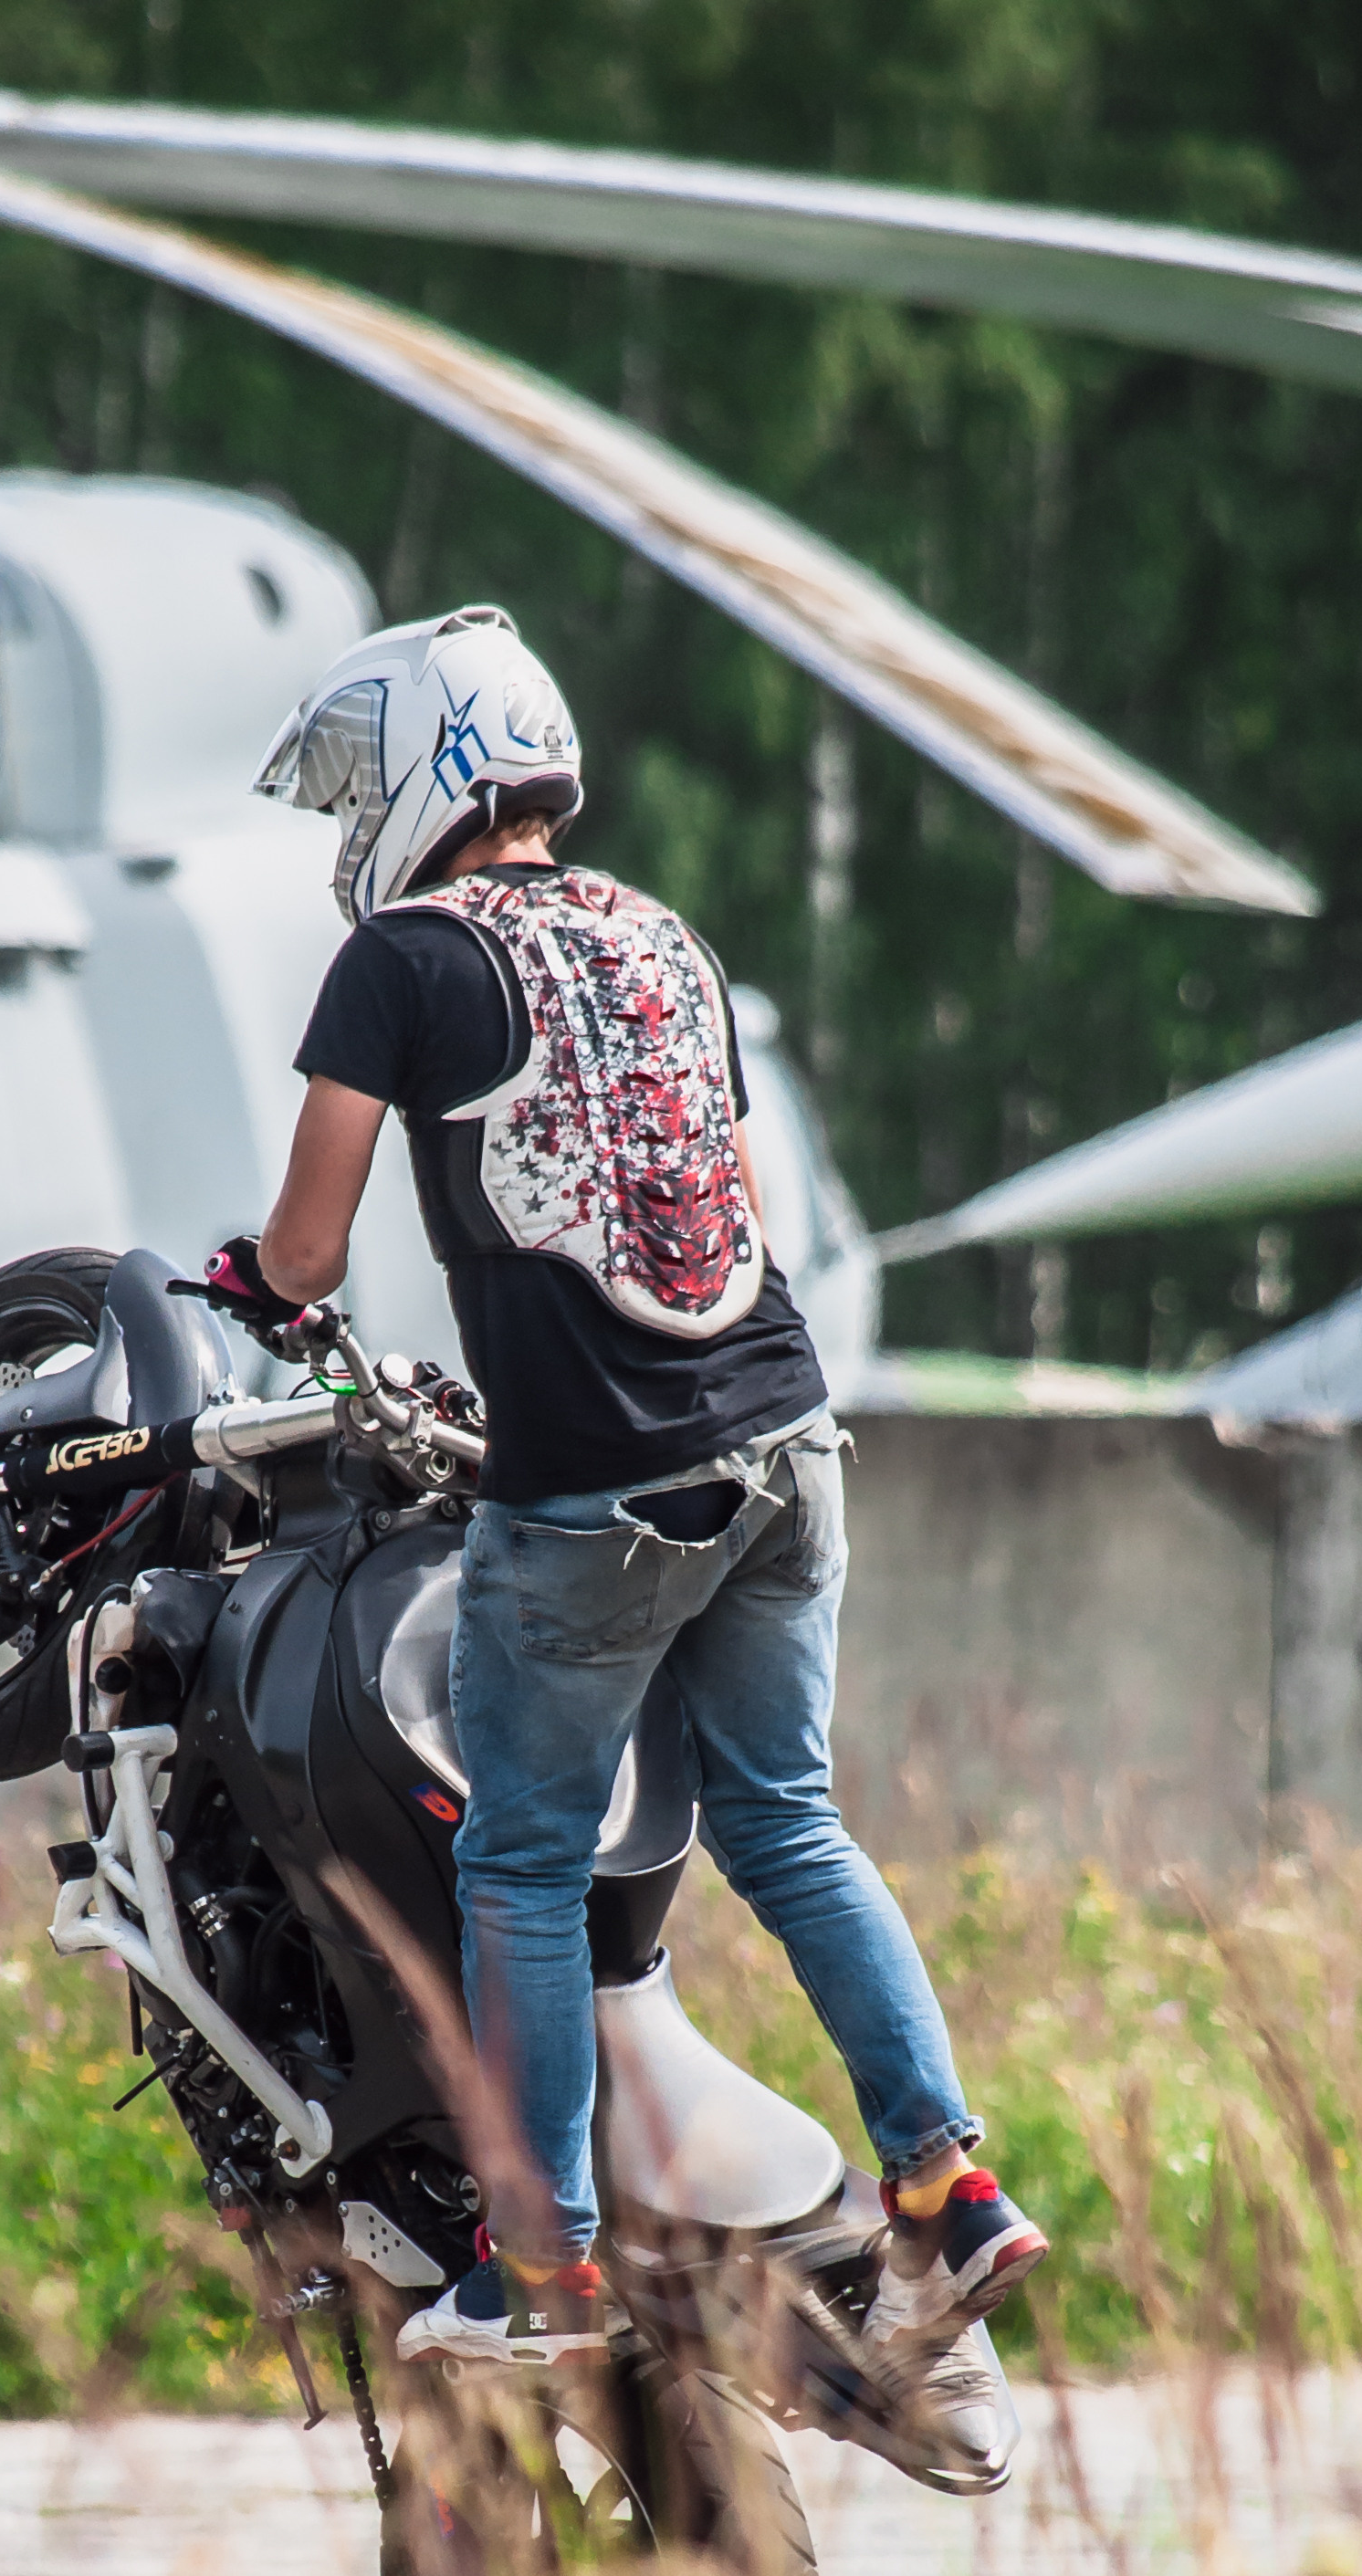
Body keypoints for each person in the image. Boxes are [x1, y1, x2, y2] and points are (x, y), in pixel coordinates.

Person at [215, 604, 1045, 2469]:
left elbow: (313, 1248)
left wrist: (257, 1286)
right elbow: (704, 1205)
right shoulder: (665, 934)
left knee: (519, 1863)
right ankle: (950, 2189)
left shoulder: (406, 960)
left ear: (427, 767)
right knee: (787, 1822)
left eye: (362, 779)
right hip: (785, 1445)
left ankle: (545, 2267)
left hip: (596, 1493)